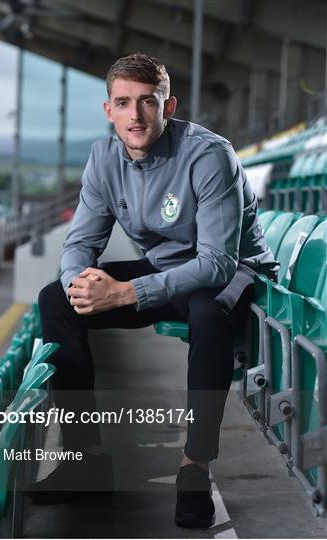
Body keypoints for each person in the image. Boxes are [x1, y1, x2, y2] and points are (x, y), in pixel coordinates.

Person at [25, 53, 277, 528]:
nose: (136, 116)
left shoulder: (209, 154)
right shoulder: (103, 158)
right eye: (124, 102)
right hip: (167, 265)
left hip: (233, 271)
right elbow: (80, 242)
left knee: (207, 312)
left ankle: (195, 468)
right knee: (56, 300)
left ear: (168, 105)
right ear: (108, 110)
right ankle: (88, 462)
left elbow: (216, 261)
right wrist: (83, 285)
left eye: (148, 102)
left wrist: (125, 293)